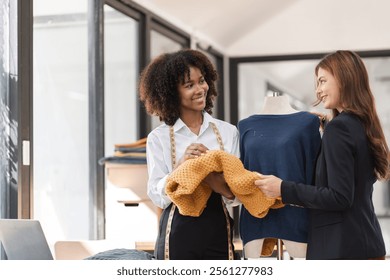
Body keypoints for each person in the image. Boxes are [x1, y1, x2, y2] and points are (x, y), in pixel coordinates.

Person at [256, 50, 389, 260]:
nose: (318, 90)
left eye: (322, 81)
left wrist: (282, 188)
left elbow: (339, 197)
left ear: (344, 78)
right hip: (366, 244)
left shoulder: (340, 128)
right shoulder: (361, 124)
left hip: (343, 252)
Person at [138, 49, 240, 260]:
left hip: (218, 229)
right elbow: (157, 195)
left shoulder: (228, 132)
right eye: (189, 85)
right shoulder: (159, 138)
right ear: (171, 93)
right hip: (177, 232)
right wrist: (182, 167)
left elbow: (235, 195)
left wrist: (209, 172)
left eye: (201, 81)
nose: (200, 89)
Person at [238, 94, 321, 259]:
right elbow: (243, 170)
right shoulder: (245, 125)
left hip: (296, 213)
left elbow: (314, 174)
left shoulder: (307, 122)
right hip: (255, 215)